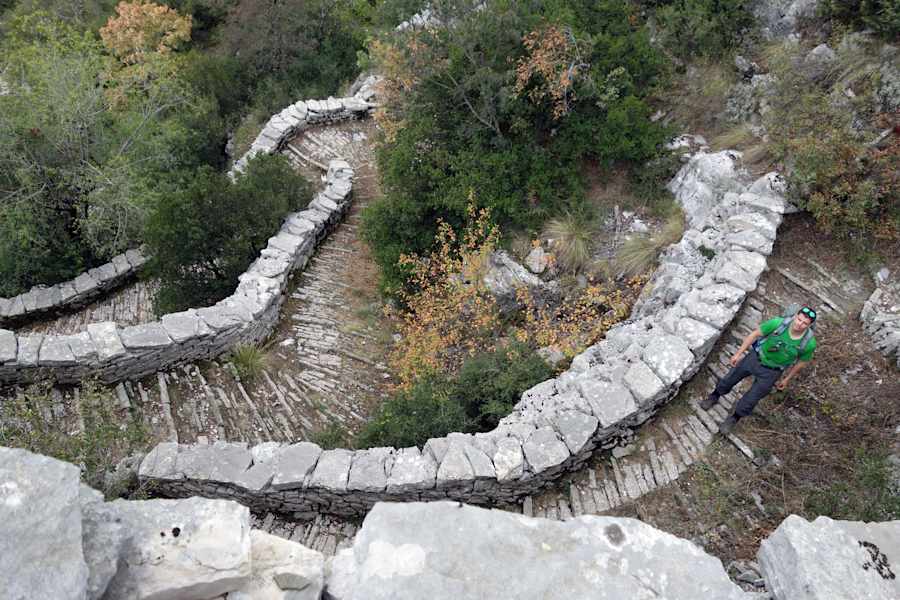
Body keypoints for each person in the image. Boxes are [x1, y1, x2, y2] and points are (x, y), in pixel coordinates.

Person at [701, 305, 818, 434]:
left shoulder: (809, 344)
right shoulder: (778, 323)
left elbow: (801, 362)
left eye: (804, 323)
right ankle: (714, 396)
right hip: (755, 357)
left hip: (772, 371)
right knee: (730, 378)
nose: (799, 324)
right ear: (795, 316)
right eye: (799, 319)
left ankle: (734, 418)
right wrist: (739, 353)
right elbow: (755, 334)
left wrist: (787, 379)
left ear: (809, 325)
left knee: (752, 398)